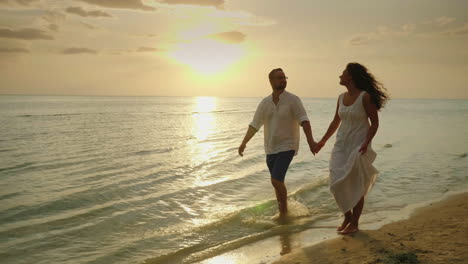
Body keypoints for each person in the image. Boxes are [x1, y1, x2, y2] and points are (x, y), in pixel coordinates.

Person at [314, 62, 389, 234]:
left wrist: (365, 143)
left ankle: (354, 223)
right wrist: (323, 141)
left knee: (356, 184)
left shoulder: (365, 97)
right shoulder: (341, 97)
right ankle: (347, 215)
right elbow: (335, 122)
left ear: (351, 77)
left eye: (343, 73)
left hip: (358, 145)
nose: (340, 76)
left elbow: (374, 123)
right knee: (335, 182)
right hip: (341, 145)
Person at [238, 68, 317, 219]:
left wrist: (311, 141)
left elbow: (304, 121)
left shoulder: (293, 100)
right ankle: (284, 210)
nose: (283, 80)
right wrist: (244, 143)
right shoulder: (265, 103)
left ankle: (284, 213)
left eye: (284, 77)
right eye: (280, 78)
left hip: (288, 145)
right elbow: (255, 124)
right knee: (277, 182)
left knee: (276, 179)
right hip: (270, 148)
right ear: (271, 81)